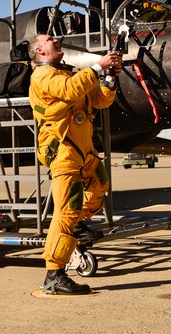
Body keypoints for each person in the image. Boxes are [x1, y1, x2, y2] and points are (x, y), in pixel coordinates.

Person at [28, 33, 122, 295]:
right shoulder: (43, 76)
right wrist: (98, 66)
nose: (56, 38)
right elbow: (69, 91)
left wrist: (111, 78)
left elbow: (99, 100)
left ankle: (74, 223)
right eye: (49, 39)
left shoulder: (70, 75)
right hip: (63, 150)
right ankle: (54, 274)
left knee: (99, 186)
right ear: (39, 50)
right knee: (67, 209)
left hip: (84, 150)